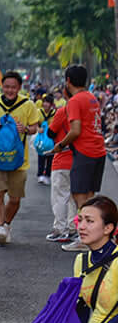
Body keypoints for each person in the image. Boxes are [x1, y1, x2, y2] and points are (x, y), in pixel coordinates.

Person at [0, 71, 41, 246]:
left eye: (13, 87)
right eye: (6, 87)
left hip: (18, 158)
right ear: (1, 86)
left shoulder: (28, 105)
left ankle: (6, 224)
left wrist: (25, 130)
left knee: (14, 199)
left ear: (19, 87)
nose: (10, 90)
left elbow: (34, 128)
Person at [52, 65, 108, 252]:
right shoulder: (92, 97)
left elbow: (75, 130)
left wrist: (60, 146)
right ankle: (91, 237)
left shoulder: (75, 101)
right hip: (99, 151)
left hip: (85, 152)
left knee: (80, 198)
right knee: (89, 196)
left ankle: (85, 239)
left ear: (68, 81)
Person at [45, 98, 76, 243]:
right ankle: (73, 228)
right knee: (73, 197)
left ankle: (60, 230)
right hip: (78, 160)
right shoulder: (84, 111)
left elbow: (51, 133)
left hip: (62, 159)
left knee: (59, 197)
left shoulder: (63, 111)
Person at [36, 94, 57, 185]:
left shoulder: (55, 113)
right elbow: (34, 123)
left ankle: (47, 175)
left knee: (50, 157)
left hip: (51, 137)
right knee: (41, 155)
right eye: (44, 102)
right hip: (41, 136)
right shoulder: (38, 112)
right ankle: (40, 174)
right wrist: (38, 128)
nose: (45, 104)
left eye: (47, 102)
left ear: (51, 104)